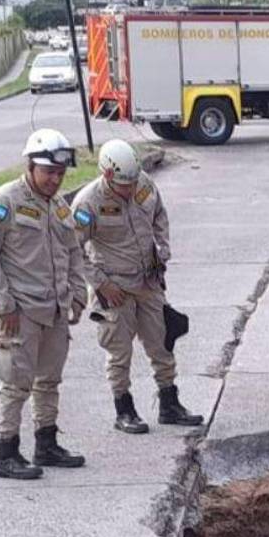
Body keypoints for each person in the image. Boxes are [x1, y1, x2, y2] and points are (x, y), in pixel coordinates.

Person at [72, 140, 202, 433]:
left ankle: (170, 403)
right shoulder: (87, 204)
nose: (130, 189)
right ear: (106, 175)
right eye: (123, 185)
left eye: (132, 182)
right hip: (114, 287)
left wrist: (163, 251)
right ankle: (124, 409)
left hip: (149, 281)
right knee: (119, 352)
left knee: (163, 343)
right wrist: (101, 284)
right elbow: (73, 251)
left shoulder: (142, 184)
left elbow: (160, 215)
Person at [0, 129, 87, 479]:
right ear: (30, 166)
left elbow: (73, 251)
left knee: (49, 381)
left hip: (54, 311)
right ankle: (7, 453)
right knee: (15, 385)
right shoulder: (5, 202)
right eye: (49, 172)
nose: (55, 180)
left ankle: (46, 444)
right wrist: (3, 306)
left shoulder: (59, 206)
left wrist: (77, 293)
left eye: (60, 174)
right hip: (19, 313)